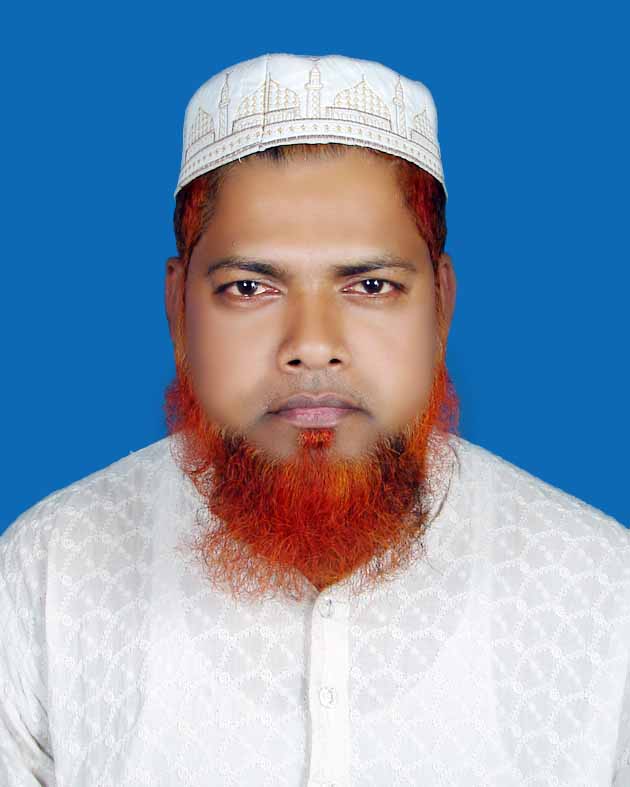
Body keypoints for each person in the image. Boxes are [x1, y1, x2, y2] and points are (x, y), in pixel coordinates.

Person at [1, 53, 629, 787]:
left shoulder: (601, 588)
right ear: (177, 309)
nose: (312, 344)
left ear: (442, 306)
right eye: (249, 287)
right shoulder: (48, 574)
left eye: (371, 285)